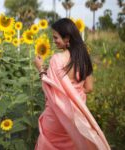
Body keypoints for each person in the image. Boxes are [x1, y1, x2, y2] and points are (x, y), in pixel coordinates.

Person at [33, 18, 110, 150]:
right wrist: (72, 96)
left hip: (56, 118)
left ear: (67, 38)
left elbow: (50, 91)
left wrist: (40, 69)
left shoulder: (57, 59)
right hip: (75, 118)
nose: (54, 41)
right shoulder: (84, 58)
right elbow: (89, 88)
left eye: (56, 37)